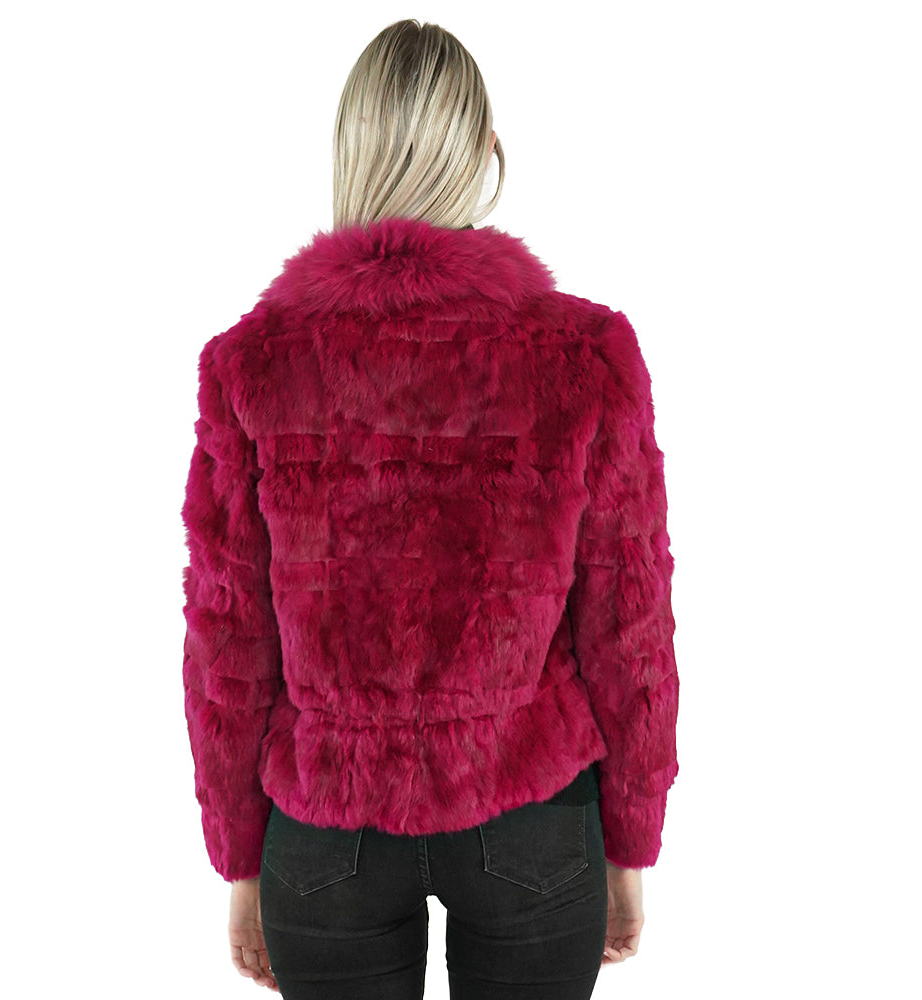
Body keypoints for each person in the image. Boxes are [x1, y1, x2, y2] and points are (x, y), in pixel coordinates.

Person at [180, 18, 679, 999]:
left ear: (349, 151)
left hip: (325, 830)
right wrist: (631, 840)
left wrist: (239, 858)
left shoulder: (253, 365)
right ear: (485, 153)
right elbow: (631, 621)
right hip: (535, 816)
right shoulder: (582, 356)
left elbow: (225, 640)